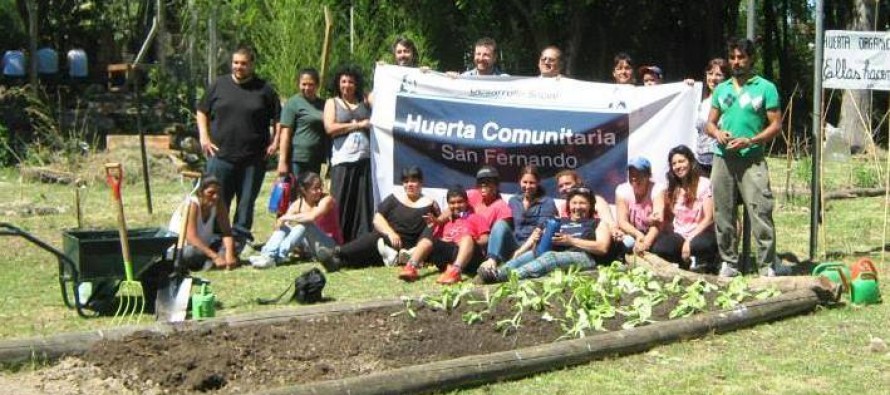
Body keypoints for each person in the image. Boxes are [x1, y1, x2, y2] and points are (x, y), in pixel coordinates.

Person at [706, 38, 788, 277]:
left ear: (751, 59)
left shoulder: (765, 87)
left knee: (760, 210)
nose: (736, 62)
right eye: (732, 57)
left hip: (752, 158)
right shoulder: (722, 89)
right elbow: (710, 123)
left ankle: (767, 265)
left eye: (741, 57)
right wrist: (718, 133)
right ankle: (729, 263)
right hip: (723, 158)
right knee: (723, 211)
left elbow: (776, 126)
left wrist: (751, 140)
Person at [197, 46, 281, 249]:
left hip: (253, 158)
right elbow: (201, 111)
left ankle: (240, 240)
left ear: (251, 64)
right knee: (217, 199)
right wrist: (204, 137)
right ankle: (217, 238)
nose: (239, 67)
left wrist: (275, 141)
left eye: (243, 63)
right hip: (220, 155)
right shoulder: (218, 85)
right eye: (236, 62)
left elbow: (278, 119)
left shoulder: (265, 90)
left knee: (246, 202)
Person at [317, 166, 439, 271]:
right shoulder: (394, 198)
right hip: (388, 240)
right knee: (373, 242)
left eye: (413, 181)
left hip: (408, 248)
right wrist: (390, 233)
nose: (409, 185)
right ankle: (337, 259)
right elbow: (377, 218)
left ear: (421, 182)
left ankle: (336, 253)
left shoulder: (429, 204)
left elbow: (432, 229)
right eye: (406, 181)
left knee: (374, 242)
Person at [480, 186, 611, 283]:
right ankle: (497, 272)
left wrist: (571, 241)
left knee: (550, 257)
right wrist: (536, 240)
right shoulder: (559, 221)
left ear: (590, 206)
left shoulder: (596, 223)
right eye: (574, 203)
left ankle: (506, 277)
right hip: (553, 253)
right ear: (569, 205)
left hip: (584, 257)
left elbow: (602, 248)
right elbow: (539, 243)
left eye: (582, 203)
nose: (577, 207)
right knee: (531, 254)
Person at [477, 165, 557, 279]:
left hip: (532, 248)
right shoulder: (514, 200)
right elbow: (507, 229)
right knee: (500, 224)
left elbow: (538, 232)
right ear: (519, 181)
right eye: (525, 182)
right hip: (514, 245)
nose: (528, 186)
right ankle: (491, 261)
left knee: (527, 257)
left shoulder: (547, 202)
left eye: (532, 183)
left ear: (538, 182)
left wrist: (519, 252)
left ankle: (497, 274)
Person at [398, 185, 490, 284]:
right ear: (448, 205)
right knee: (428, 240)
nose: (456, 205)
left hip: (470, 256)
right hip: (448, 255)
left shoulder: (476, 218)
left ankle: (455, 272)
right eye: (452, 203)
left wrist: (468, 242)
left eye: (460, 202)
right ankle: (411, 266)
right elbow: (436, 241)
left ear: (467, 202)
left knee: (466, 238)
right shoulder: (445, 222)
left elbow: (486, 239)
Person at [323, 64, 374, 242]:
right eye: (343, 81)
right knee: (341, 201)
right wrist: (357, 125)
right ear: (338, 83)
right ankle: (337, 239)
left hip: (364, 159)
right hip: (342, 160)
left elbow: (383, 99)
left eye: (351, 82)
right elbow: (330, 128)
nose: (347, 85)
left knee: (363, 203)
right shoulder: (332, 103)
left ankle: (362, 240)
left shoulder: (365, 100)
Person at [249, 172, 343, 269]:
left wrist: (285, 217)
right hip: (310, 246)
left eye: (320, 187)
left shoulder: (327, 200)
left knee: (305, 225)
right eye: (315, 188)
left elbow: (312, 217)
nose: (319, 191)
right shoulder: (298, 204)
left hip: (329, 246)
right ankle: (267, 255)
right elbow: (281, 223)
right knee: (284, 227)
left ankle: (278, 257)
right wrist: (282, 222)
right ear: (304, 190)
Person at [649, 145, 717, 272]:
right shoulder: (673, 188)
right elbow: (669, 218)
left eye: (681, 161)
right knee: (660, 248)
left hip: (701, 232)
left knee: (700, 246)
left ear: (690, 162)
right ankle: (683, 263)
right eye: (674, 163)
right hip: (680, 233)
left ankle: (709, 263)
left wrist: (689, 240)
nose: (678, 166)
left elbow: (709, 218)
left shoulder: (704, 184)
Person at [277, 68, 327, 181]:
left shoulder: (323, 104)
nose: (307, 88)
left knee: (312, 193)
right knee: (297, 192)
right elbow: (285, 133)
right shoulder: (293, 103)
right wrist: (282, 161)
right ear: (298, 84)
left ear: (317, 85)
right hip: (298, 158)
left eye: (311, 84)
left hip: (316, 158)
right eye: (303, 84)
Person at [179, 176, 238, 270]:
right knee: (190, 253)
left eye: (218, 193)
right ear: (200, 193)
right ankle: (211, 261)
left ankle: (214, 261)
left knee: (234, 243)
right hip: (187, 247)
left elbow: (227, 232)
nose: (215, 197)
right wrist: (215, 256)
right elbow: (191, 238)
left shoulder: (218, 203)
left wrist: (229, 254)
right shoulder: (192, 205)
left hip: (206, 246)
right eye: (211, 193)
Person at [614, 157, 663, 255]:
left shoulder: (658, 189)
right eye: (631, 174)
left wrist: (646, 242)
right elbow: (622, 221)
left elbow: (658, 222)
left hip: (656, 234)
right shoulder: (622, 190)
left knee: (660, 249)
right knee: (623, 245)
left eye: (639, 174)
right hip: (634, 233)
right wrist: (638, 235)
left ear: (648, 175)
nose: (634, 177)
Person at [695, 58, 729, 176]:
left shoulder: (729, 100)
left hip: (720, 160)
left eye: (719, 75)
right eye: (710, 73)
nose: (713, 78)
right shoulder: (701, 100)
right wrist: (688, 88)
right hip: (700, 161)